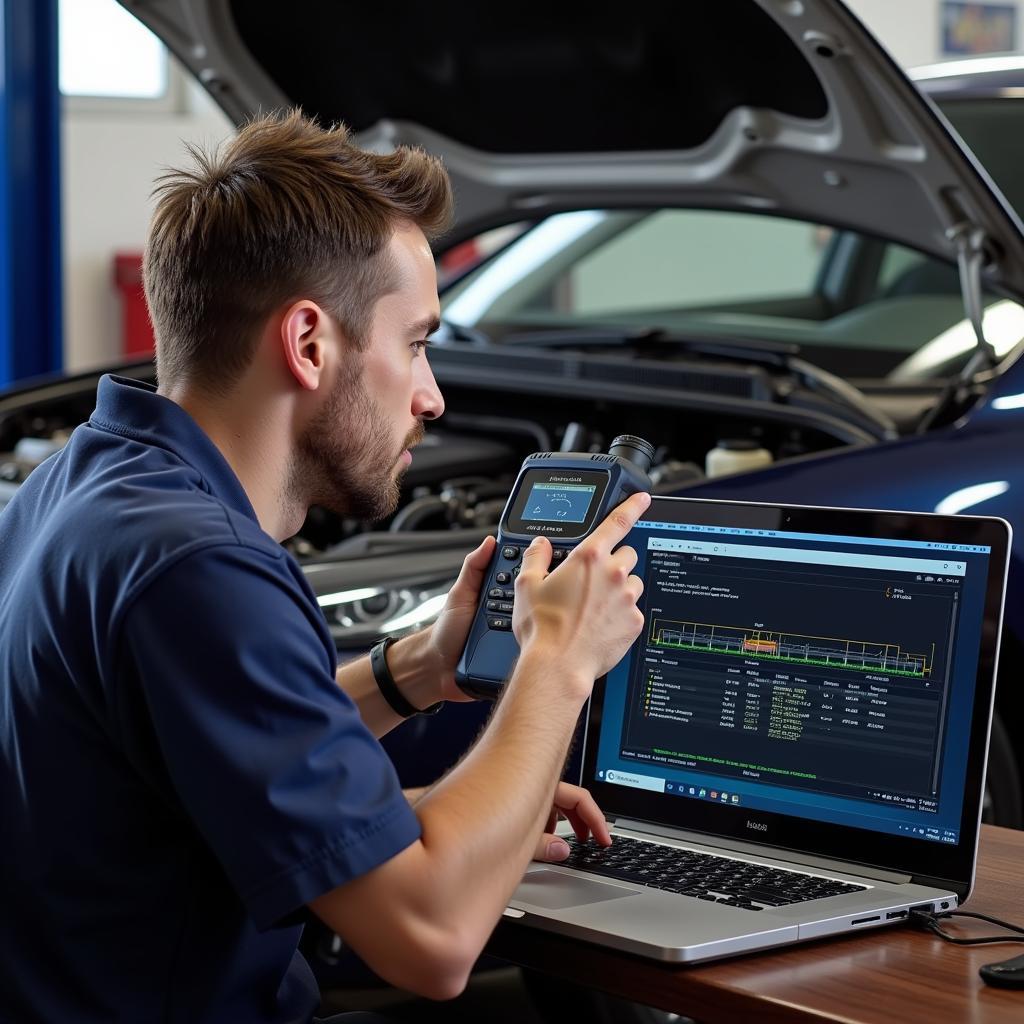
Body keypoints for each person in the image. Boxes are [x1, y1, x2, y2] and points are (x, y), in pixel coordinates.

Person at [0, 110, 650, 1024]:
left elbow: (191, 755)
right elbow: (431, 941)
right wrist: (558, 661)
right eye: (417, 343)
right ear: (309, 343)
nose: (432, 395)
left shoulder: (82, 482)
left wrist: (414, 670)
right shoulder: (201, 569)